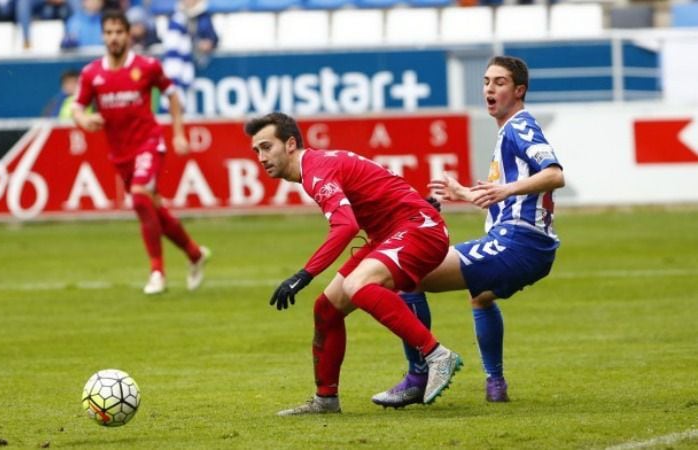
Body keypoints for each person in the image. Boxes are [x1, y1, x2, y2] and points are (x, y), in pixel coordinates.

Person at [371, 55, 565, 407]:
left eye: (500, 82)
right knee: (481, 296)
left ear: (519, 90)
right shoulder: (508, 131)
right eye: (487, 81)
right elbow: (507, 196)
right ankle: (495, 384)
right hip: (529, 245)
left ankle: (419, 374)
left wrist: (505, 190)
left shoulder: (521, 127)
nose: (490, 88)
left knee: (407, 275)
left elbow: (554, 174)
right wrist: (464, 193)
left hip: (518, 243)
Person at [244, 112, 463, 416]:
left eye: (267, 147)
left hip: (417, 229)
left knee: (358, 285)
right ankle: (325, 400)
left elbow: (345, 227)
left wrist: (304, 274)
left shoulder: (316, 172)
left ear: (291, 144)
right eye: (256, 151)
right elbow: (377, 185)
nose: (261, 157)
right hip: (393, 231)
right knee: (327, 308)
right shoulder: (317, 166)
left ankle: (437, 355)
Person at [72, 9, 210, 295]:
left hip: (149, 143)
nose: (113, 38)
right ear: (103, 36)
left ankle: (157, 271)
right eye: (108, 33)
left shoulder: (147, 66)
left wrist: (179, 132)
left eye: (118, 32)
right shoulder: (91, 73)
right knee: (152, 208)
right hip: (120, 154)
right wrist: (84, 120)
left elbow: (172, 94)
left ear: (128, 34)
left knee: (138, 197)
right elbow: (77, 107)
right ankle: (195, 254)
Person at [161, 0, 219, 108]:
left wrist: (209, 43)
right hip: (183, 64)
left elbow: (213, 37)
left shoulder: (204, 16)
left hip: (201, 63)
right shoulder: (175, 16)